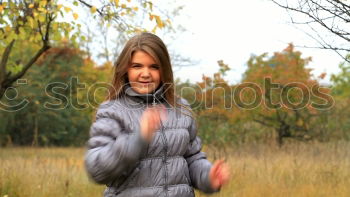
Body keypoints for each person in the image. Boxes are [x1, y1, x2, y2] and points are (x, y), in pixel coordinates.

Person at [85, 32, 230, 197]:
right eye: (137, 66)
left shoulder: (181, 108)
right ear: (125, 69)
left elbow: (192, 160)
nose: (146, 73)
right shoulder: (112, 111)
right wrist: (138, 139)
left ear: (164, 70)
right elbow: (96, 169)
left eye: (154, 66)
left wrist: (208, 177)